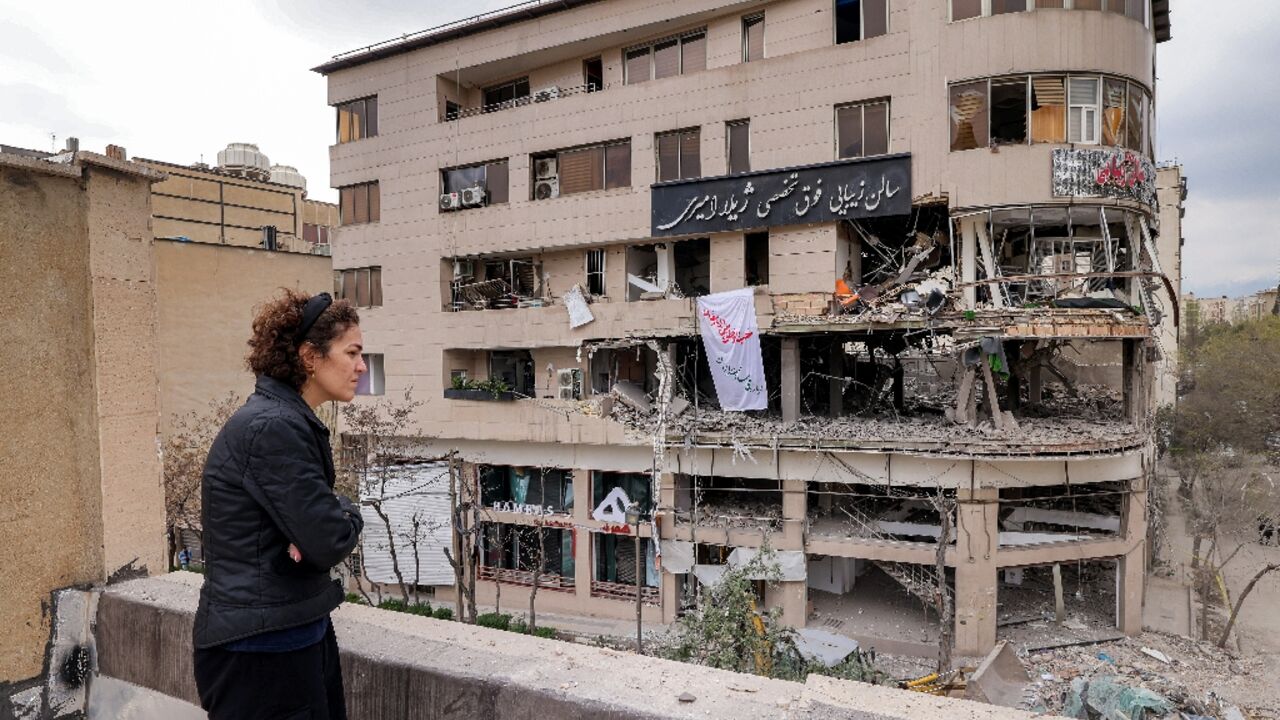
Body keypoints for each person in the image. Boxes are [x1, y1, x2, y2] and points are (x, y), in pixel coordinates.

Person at [193, 290, 366, 720]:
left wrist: (315, 526)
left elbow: (310, 533)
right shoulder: (274, 428)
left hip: (283, 634)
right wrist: (348, 511)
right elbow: (329, 539)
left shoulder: (281, 419)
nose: (361, 367)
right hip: (262, 651)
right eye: (353, 353)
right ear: (311, 356)